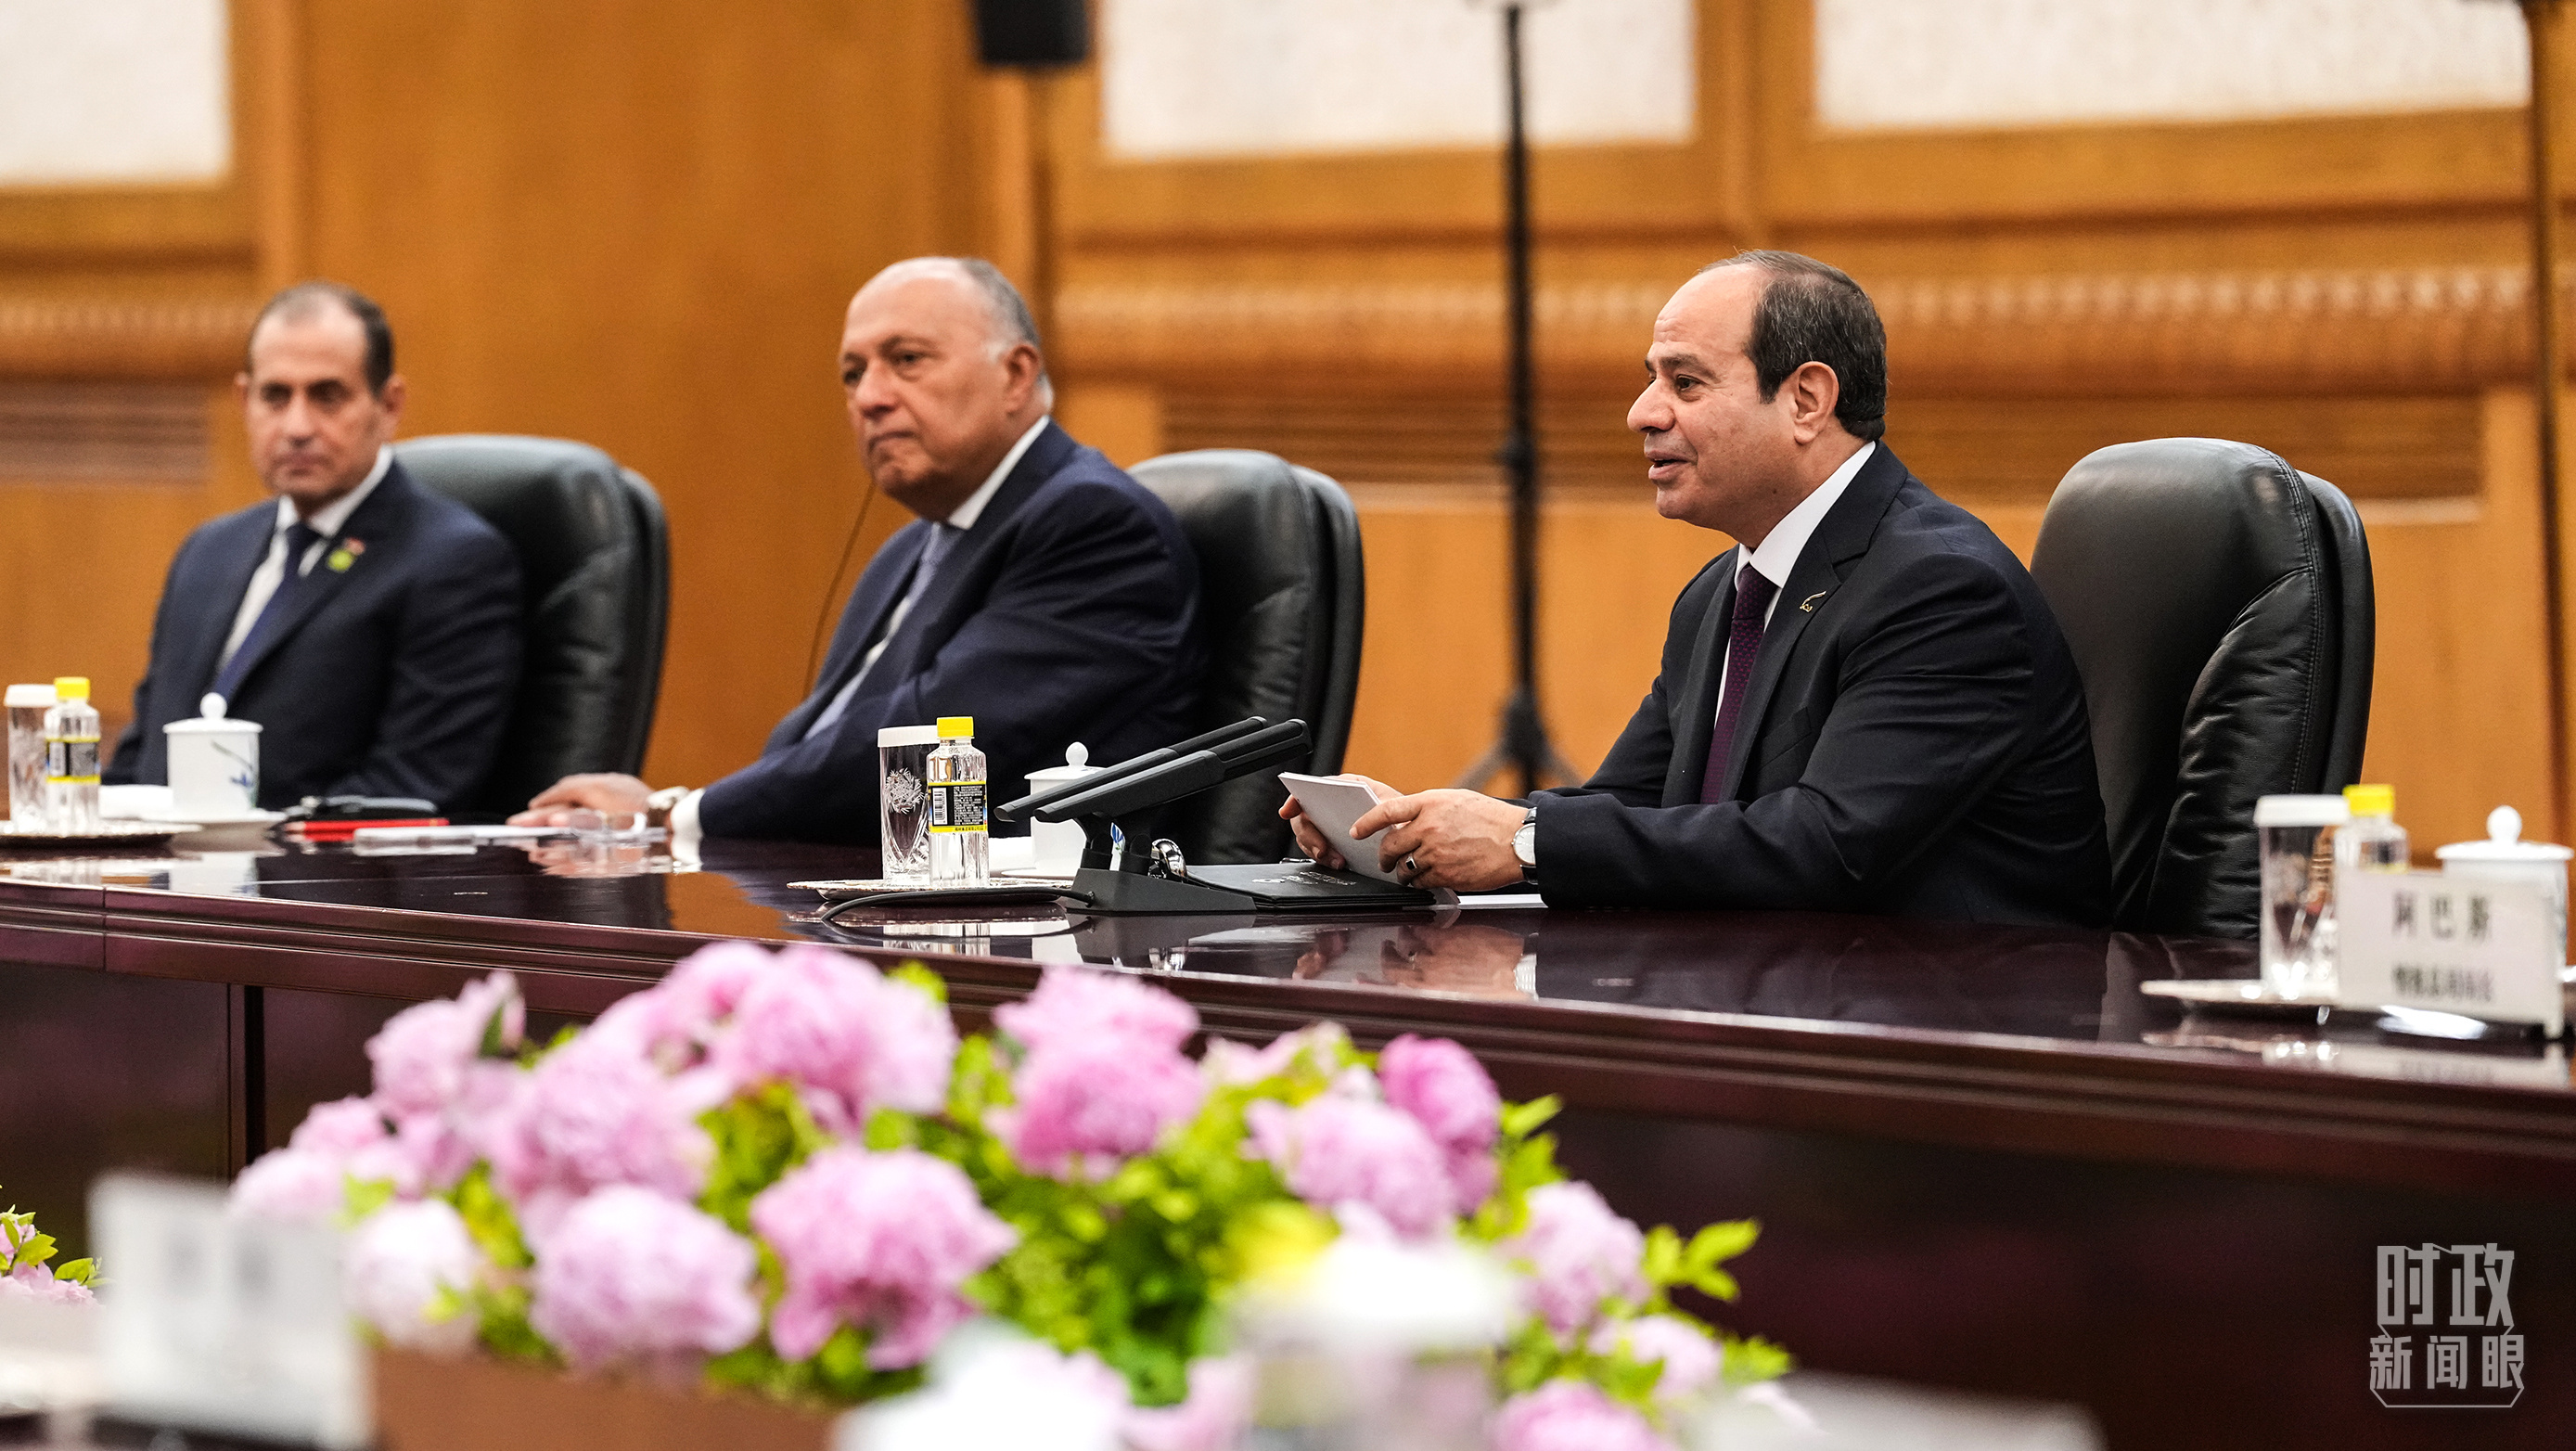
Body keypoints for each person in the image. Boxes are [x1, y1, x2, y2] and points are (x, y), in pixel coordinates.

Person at [1287, 251, 2112, 927]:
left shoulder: (1940, 589)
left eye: (1684, 383)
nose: (1642, 413)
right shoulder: (1724, 588)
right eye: (1653, 379)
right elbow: (1632, 805)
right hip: (1784, 995)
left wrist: (1524, 841)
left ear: (1806, 400)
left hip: (1955, 1025)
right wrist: (1415, 836)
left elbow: (1826, 844)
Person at [515, 257, 1203, 845]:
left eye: (907, 360)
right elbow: (813, 750)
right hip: (864, 899)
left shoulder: (1095, 526)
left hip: (1017, 931)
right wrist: (677, 815)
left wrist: (675, 816)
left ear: (1016, 375)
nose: (870, 397)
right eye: (852, 373)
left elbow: (928, 749)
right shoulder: (913, 549)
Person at [108, 283, 521, 811]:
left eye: (327, 396)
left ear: (389, 405)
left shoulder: (453, 563)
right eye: (275, 396)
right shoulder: (208, 552)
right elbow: (141, 764)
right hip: (163, 861)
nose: (297, 427)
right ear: (244, 401)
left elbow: (411, 791)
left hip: (312, 864)